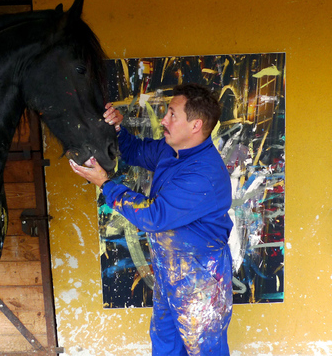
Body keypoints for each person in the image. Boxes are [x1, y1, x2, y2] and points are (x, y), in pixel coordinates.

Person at [70, 83, 233, 356]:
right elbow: (135, 151)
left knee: (205, 351)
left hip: (200, 283)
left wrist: (105, 184)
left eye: (172, 114)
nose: (163, 120)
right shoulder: (171, 151)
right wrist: (116, 129)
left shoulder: (203, 174)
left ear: (195, 125)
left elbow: (153, 216)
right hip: (169, 274)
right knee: (165, 346)